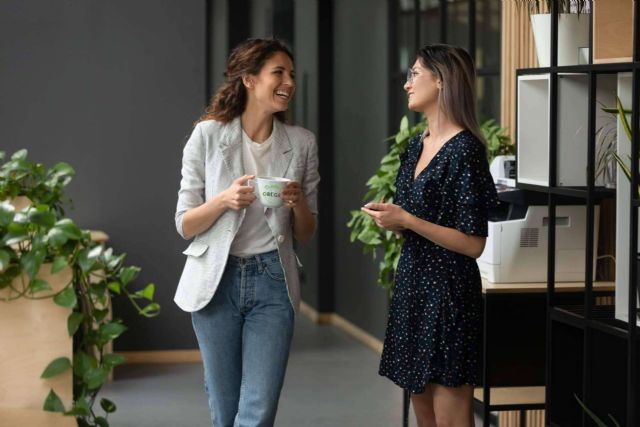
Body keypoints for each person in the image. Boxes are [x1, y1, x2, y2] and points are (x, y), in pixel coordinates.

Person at [174, 38, 319, 427]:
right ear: (249, 80)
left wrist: (297, 202)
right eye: (278, 72)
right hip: (216, 282)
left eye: (290, 73)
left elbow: (306, 232)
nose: (289, 80)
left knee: (258, 411)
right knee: (225, 411)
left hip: (274, 280)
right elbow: (185, 224)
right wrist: (224, 200)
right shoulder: (207, 136)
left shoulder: (301, 143)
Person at [362, 44, 498, 426]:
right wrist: (391, 218)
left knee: (450, 417)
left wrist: (407, 219)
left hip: (450, 293)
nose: (407, 84)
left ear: (441, 81)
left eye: (414, 74)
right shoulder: (413, 146)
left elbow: (473, 244)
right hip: (413, 286)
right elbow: (411, 220)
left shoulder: (465, 151)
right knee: (423, 414)